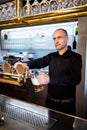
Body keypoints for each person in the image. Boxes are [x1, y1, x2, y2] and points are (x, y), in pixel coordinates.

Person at [14, 28, 82, 115]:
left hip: (66, 105)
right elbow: (38, 62)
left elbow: (76, 79)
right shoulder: (52, 56)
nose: (56, 41)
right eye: (54, 38)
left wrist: (50, 79)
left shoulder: (76, 57)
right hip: (50, 102)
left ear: (67, 38)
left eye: (59, 37)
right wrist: (24, 64)